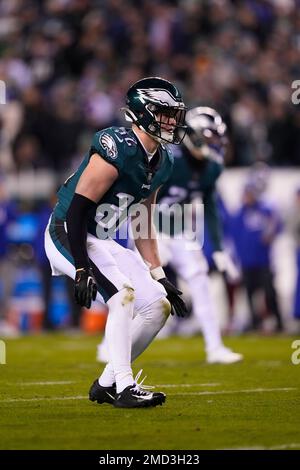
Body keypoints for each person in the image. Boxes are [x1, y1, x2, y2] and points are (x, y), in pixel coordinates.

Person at [44, 77, 188, 408]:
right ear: (143, 112)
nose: (171, 121)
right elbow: (77, 211)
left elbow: (143, 221)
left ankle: (108, 382)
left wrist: (159, 274)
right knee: (122, 295)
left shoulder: (161, 161)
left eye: (173, 114)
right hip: (67, 231)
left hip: (102, 238)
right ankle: (125, 387)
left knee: (157, 305)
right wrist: (81, 266)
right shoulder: (117, 146)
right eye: (164, 113)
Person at [156, 107, 243, 363]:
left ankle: (214, 347)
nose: (215, 144)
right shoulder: (169, 160)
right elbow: (139, 198)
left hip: (179, 230)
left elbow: (211, 207)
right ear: (193, 135)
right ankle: (109, 345)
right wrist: (147, 236)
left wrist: (217, 248)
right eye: (210, 137)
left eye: (218, 138)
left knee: (201, 280)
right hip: (147, 227)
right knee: (133, 288)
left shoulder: (211, 168)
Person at [232, 181, 283, 331]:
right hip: (247, 262)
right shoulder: (240, 213)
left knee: (269, 292)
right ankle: (255, 322)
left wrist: (270, 235)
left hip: (263, 260)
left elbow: (276, 226)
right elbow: (234, 237)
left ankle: (278, 321)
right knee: (249, 294)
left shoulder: (265, 210)